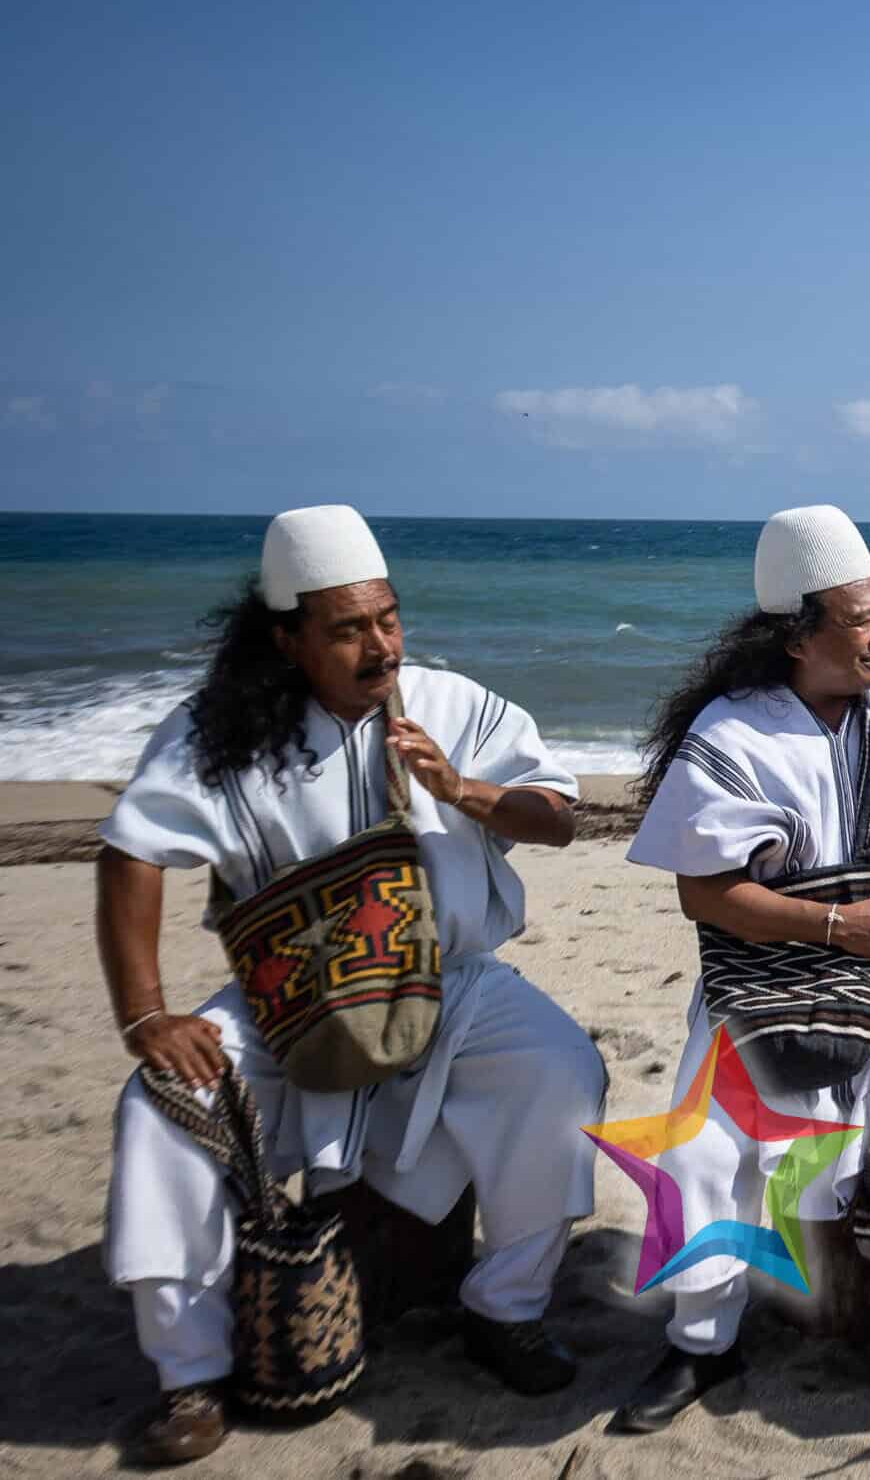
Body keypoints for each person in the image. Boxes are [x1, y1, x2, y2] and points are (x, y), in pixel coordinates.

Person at [96, 505, 605, 1465]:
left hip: (451, 986)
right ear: (287, 638)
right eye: (348, 628)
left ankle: (506, 1310)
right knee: (164, 1101)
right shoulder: (222, 729)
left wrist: (461, 789)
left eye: (388, 618)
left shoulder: (449, 703)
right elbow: (132, 848)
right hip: (286, 1002)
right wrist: (146, 1013)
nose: (380, 646)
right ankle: (191, 1376)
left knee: (563, 1073)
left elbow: (558, 816)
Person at [609, 505, 870, 1434]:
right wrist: (843, 927)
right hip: (772, 989)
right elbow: (706, 894)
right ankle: (700, 1341)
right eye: (860, 618)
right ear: (797, 635)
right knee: (702, 1151)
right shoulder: (733, 732)